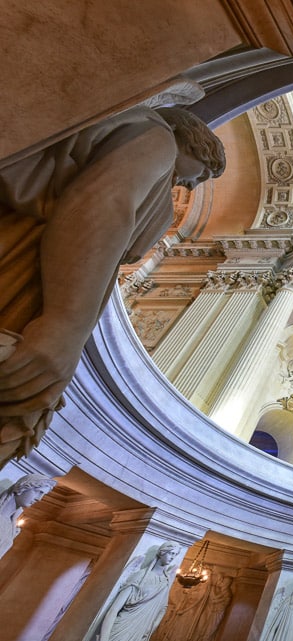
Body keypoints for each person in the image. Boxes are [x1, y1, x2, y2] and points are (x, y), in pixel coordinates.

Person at [0, 106, 225, 467]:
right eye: (200, 175)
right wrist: (65, 325)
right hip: (23, 271)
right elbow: (102, 206)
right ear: (195, 144)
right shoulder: (155, 138)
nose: (191, 186)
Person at [99, 541, 181, 641]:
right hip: (123, 628)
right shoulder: (140, 576)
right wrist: (104, 638)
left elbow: (162, 610)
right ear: (161, 552)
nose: (173, 557)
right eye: (171, 553)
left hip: (141, 631)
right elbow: (114, 609)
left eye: (175, 554)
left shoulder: (165, 582)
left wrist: (149, 630)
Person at [0, 472, 56, 557]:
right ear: (21, 488)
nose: (39, 499)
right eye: (39, 492)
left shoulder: (11, 524)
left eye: (43, 495)